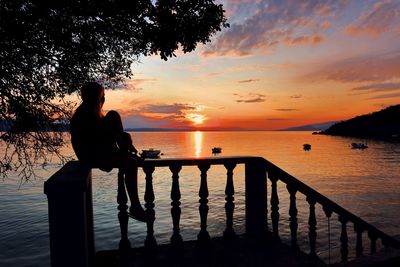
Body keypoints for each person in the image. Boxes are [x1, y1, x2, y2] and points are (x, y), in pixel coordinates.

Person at [70, 81, 153, 222]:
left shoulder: (93, 113)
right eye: (101, 96)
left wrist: (124, 138)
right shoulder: (85, 115)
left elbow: (106, 134)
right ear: (94, 97)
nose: (103, 100)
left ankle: (127, 154)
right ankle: (135, 206)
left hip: (99, 152)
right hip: (93, 155)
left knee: (115, 119)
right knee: (131, 162)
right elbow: (98, 138)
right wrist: (123, 140)